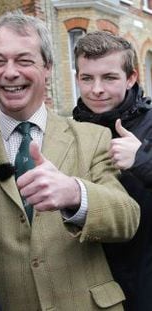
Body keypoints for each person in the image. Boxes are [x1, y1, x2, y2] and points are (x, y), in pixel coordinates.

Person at [0, 11, 140, 310]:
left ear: (48, 69)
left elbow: (127, 219)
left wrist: (74, 193)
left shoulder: (92, 137)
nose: (10, 72)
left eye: (24, 60)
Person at [72, 31, 152, 311]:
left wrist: (142, 160)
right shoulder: (69, 133)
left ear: (131, 78)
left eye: (109, 77)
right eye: (87, 78)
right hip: (93, 290)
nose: (97, 89)